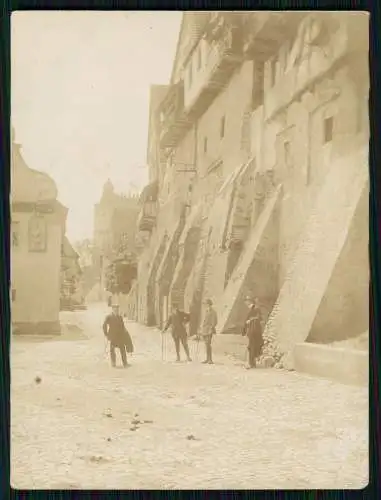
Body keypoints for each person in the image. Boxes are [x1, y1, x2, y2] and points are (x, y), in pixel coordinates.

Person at [242, 295, 264, 369]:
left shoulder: (256, 308)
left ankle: (251, 363)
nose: (246, 302)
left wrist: (250, 320)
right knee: (251, 347)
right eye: (245, 301)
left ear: (250, 301)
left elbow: (260, 318)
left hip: (254, 330)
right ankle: (252, 363)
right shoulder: (249, 309)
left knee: (252, 346)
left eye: (247, 301)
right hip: (250, 330)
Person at [201, 299, 218, 364]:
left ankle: (210, 359)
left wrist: (211, 329)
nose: (204, 305)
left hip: (209, 330)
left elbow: (214, 322)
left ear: (208, 304)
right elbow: (204, 321)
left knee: (208, 344)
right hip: (204, 330)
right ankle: (207, 359)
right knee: (206, 344)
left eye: (205, 304)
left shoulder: (213, 312)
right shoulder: (206, 311)